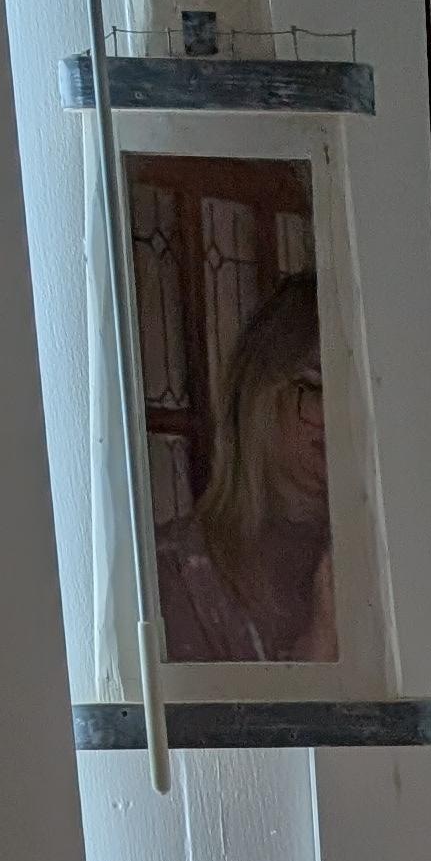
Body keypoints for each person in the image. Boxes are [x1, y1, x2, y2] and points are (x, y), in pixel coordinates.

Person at [156, 266, 338, 665]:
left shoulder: (389, 552)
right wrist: (320, 648)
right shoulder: (174, 572)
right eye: (317, 388)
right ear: (259, 397)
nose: (340, 415)